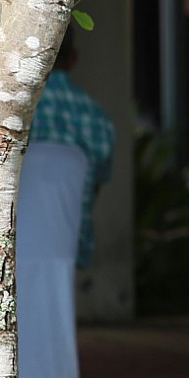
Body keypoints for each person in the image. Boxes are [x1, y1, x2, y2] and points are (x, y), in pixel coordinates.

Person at [30, 31, 116, 269]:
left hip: (11, 246)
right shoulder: (99, 120)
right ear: (73, 58)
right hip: (68, 251)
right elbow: (90, 194)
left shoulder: (11, 112)